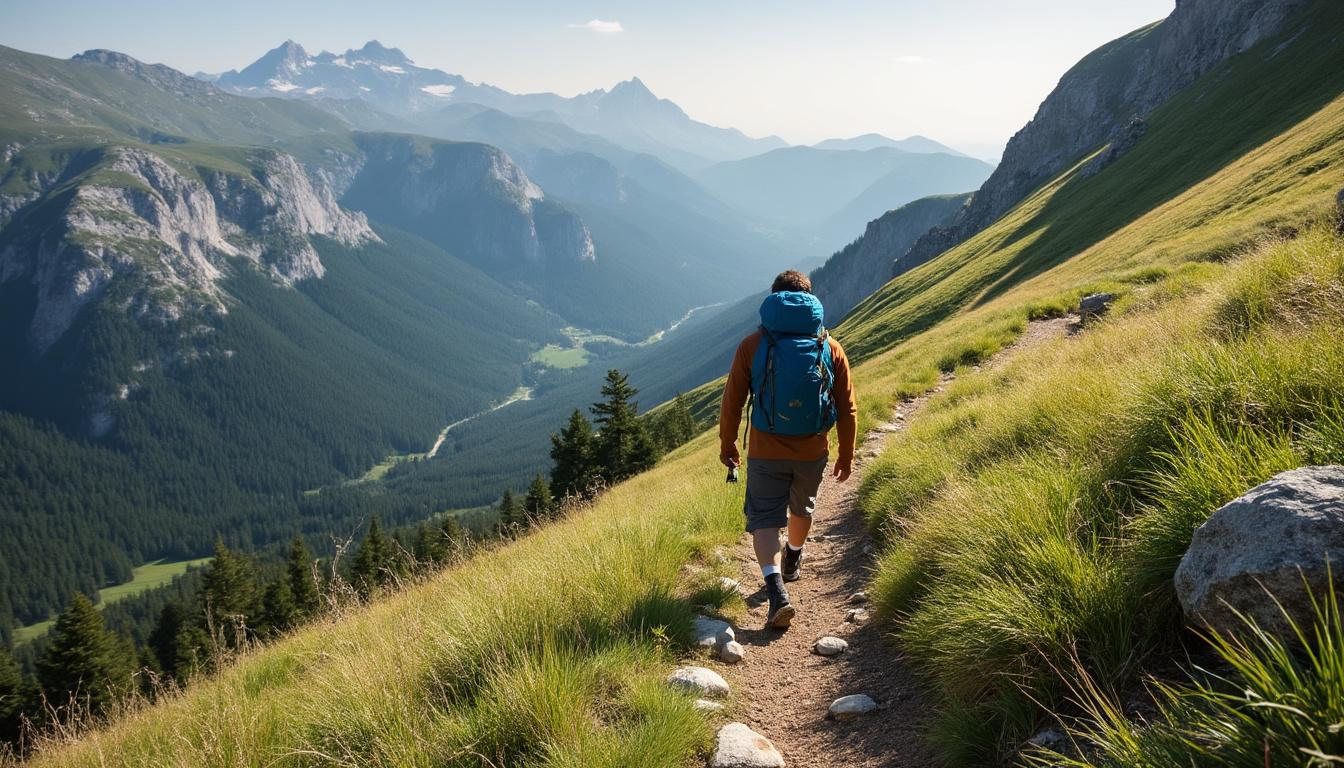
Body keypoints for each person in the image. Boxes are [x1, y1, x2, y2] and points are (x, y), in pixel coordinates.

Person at [719, 270, 857, 629]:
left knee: (764, 519)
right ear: (810, 300)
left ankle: (776, 589)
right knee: (803, 507)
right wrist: (846, 453)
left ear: (774, 300)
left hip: (765, 448)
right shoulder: (830, 346)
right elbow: (847, 407)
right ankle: (793, 556)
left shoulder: (753, 345)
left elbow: (732, 400)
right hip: (812, 449)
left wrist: (727, 443)